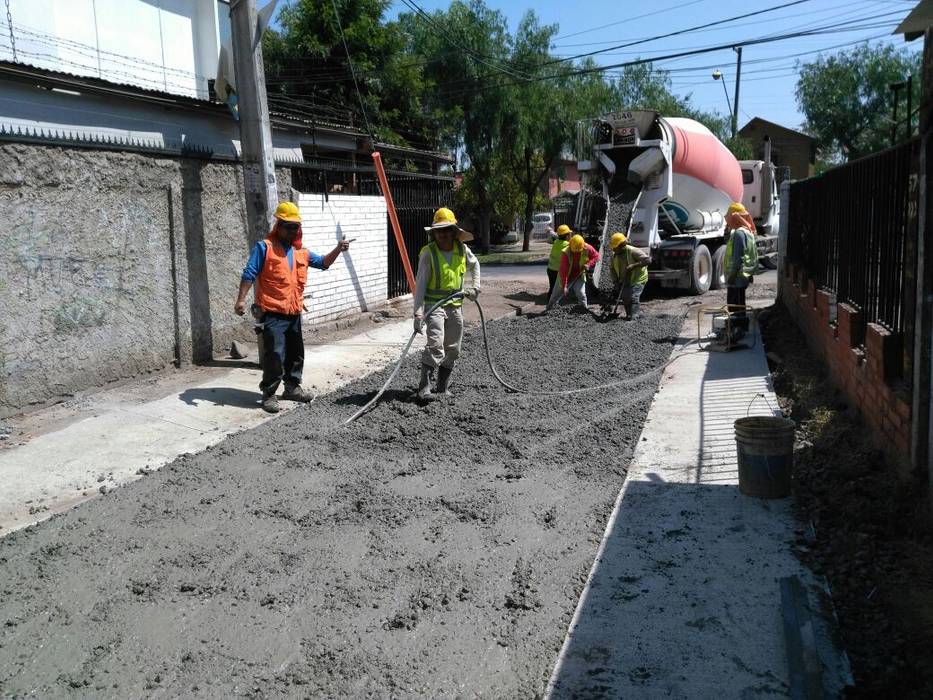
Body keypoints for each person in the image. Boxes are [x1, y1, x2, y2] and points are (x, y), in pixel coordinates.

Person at [235, 201, 351, 413]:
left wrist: (338, 249)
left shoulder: (302, 252)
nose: (292, 230)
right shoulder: (265, 248)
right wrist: (241, 299)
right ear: (278, 225)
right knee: (275, 356)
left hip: (294, 313)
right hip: (272, 314)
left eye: (295, 226)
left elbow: (324, 263)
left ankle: (292, 388)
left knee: (296, 355)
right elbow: (249, 273)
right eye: (288, 225)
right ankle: (269, 394)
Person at [413, 207, 481, 401]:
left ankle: (443, 387)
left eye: (447, 229)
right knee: (435, 344)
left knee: (453, 348)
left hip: (455, 307)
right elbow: (420, 285)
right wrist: (418, 314)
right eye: (439, 230)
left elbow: (475, 264)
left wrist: (475, 286)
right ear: (433, 232)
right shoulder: (428, 253)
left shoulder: (462, 249)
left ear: (454, 231)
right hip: (434, 306)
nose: (442, 234)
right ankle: (424, 388)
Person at [723, 201, 758, 337]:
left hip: (736, 276)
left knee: (734, 306)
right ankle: (740, 330)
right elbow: (727, 240)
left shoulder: (738, 234)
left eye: (728, 217)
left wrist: (731, 275)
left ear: (734, 217)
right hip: (742, 276)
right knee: (740, 304)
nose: (727, 220)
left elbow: (738, 257)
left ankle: (737, 330)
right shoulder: (747, 231)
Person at [546, 234, 599, 311]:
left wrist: (588, 264)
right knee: (555, 295)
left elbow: (596, 256)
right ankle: (549, 310)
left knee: (581, 294)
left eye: (578, 251)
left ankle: (584, 311)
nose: (576, 253)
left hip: (579, 275)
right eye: (575, 251)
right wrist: (564, 286)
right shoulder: (566, 253)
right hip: (565, 276)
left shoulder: (587, 248)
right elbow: (564, 271)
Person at [608, 232, 650, 320]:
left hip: (638, 278)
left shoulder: (633, 251)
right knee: (625, 297)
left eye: (616, 247)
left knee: (633, 296)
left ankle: (633, 318)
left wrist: (634, 265)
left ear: (622, 245)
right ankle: (629, 315)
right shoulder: (614, 255)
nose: (614, 249)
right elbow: (612, 269)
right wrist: (615, 281)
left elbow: (648, 260)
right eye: (613, 247)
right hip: (625, 279)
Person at [547, 224, 573, 296]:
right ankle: (554, 303)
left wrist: (550, 231)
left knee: (552, 287)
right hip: (558, 271)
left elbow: (555, 236)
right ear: (567, 236)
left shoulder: (556, 242)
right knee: (558, 289)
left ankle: (549, 300)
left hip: (550, 269)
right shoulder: (567, 245)